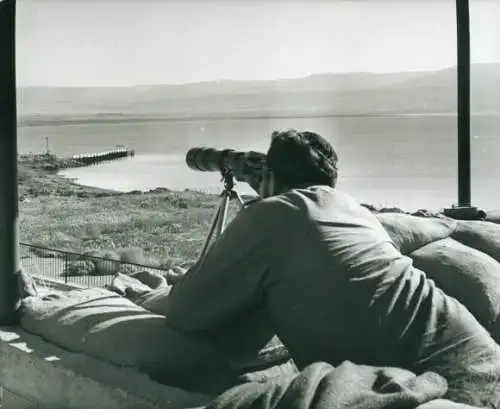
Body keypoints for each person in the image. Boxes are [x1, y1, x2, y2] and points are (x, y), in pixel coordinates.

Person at [166, 129, 500, 407]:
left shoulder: (269, 216)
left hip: (448, 391)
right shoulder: (353, 208)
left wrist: (262, 207)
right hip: (485, 365)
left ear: (270, 175)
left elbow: (184, 311)